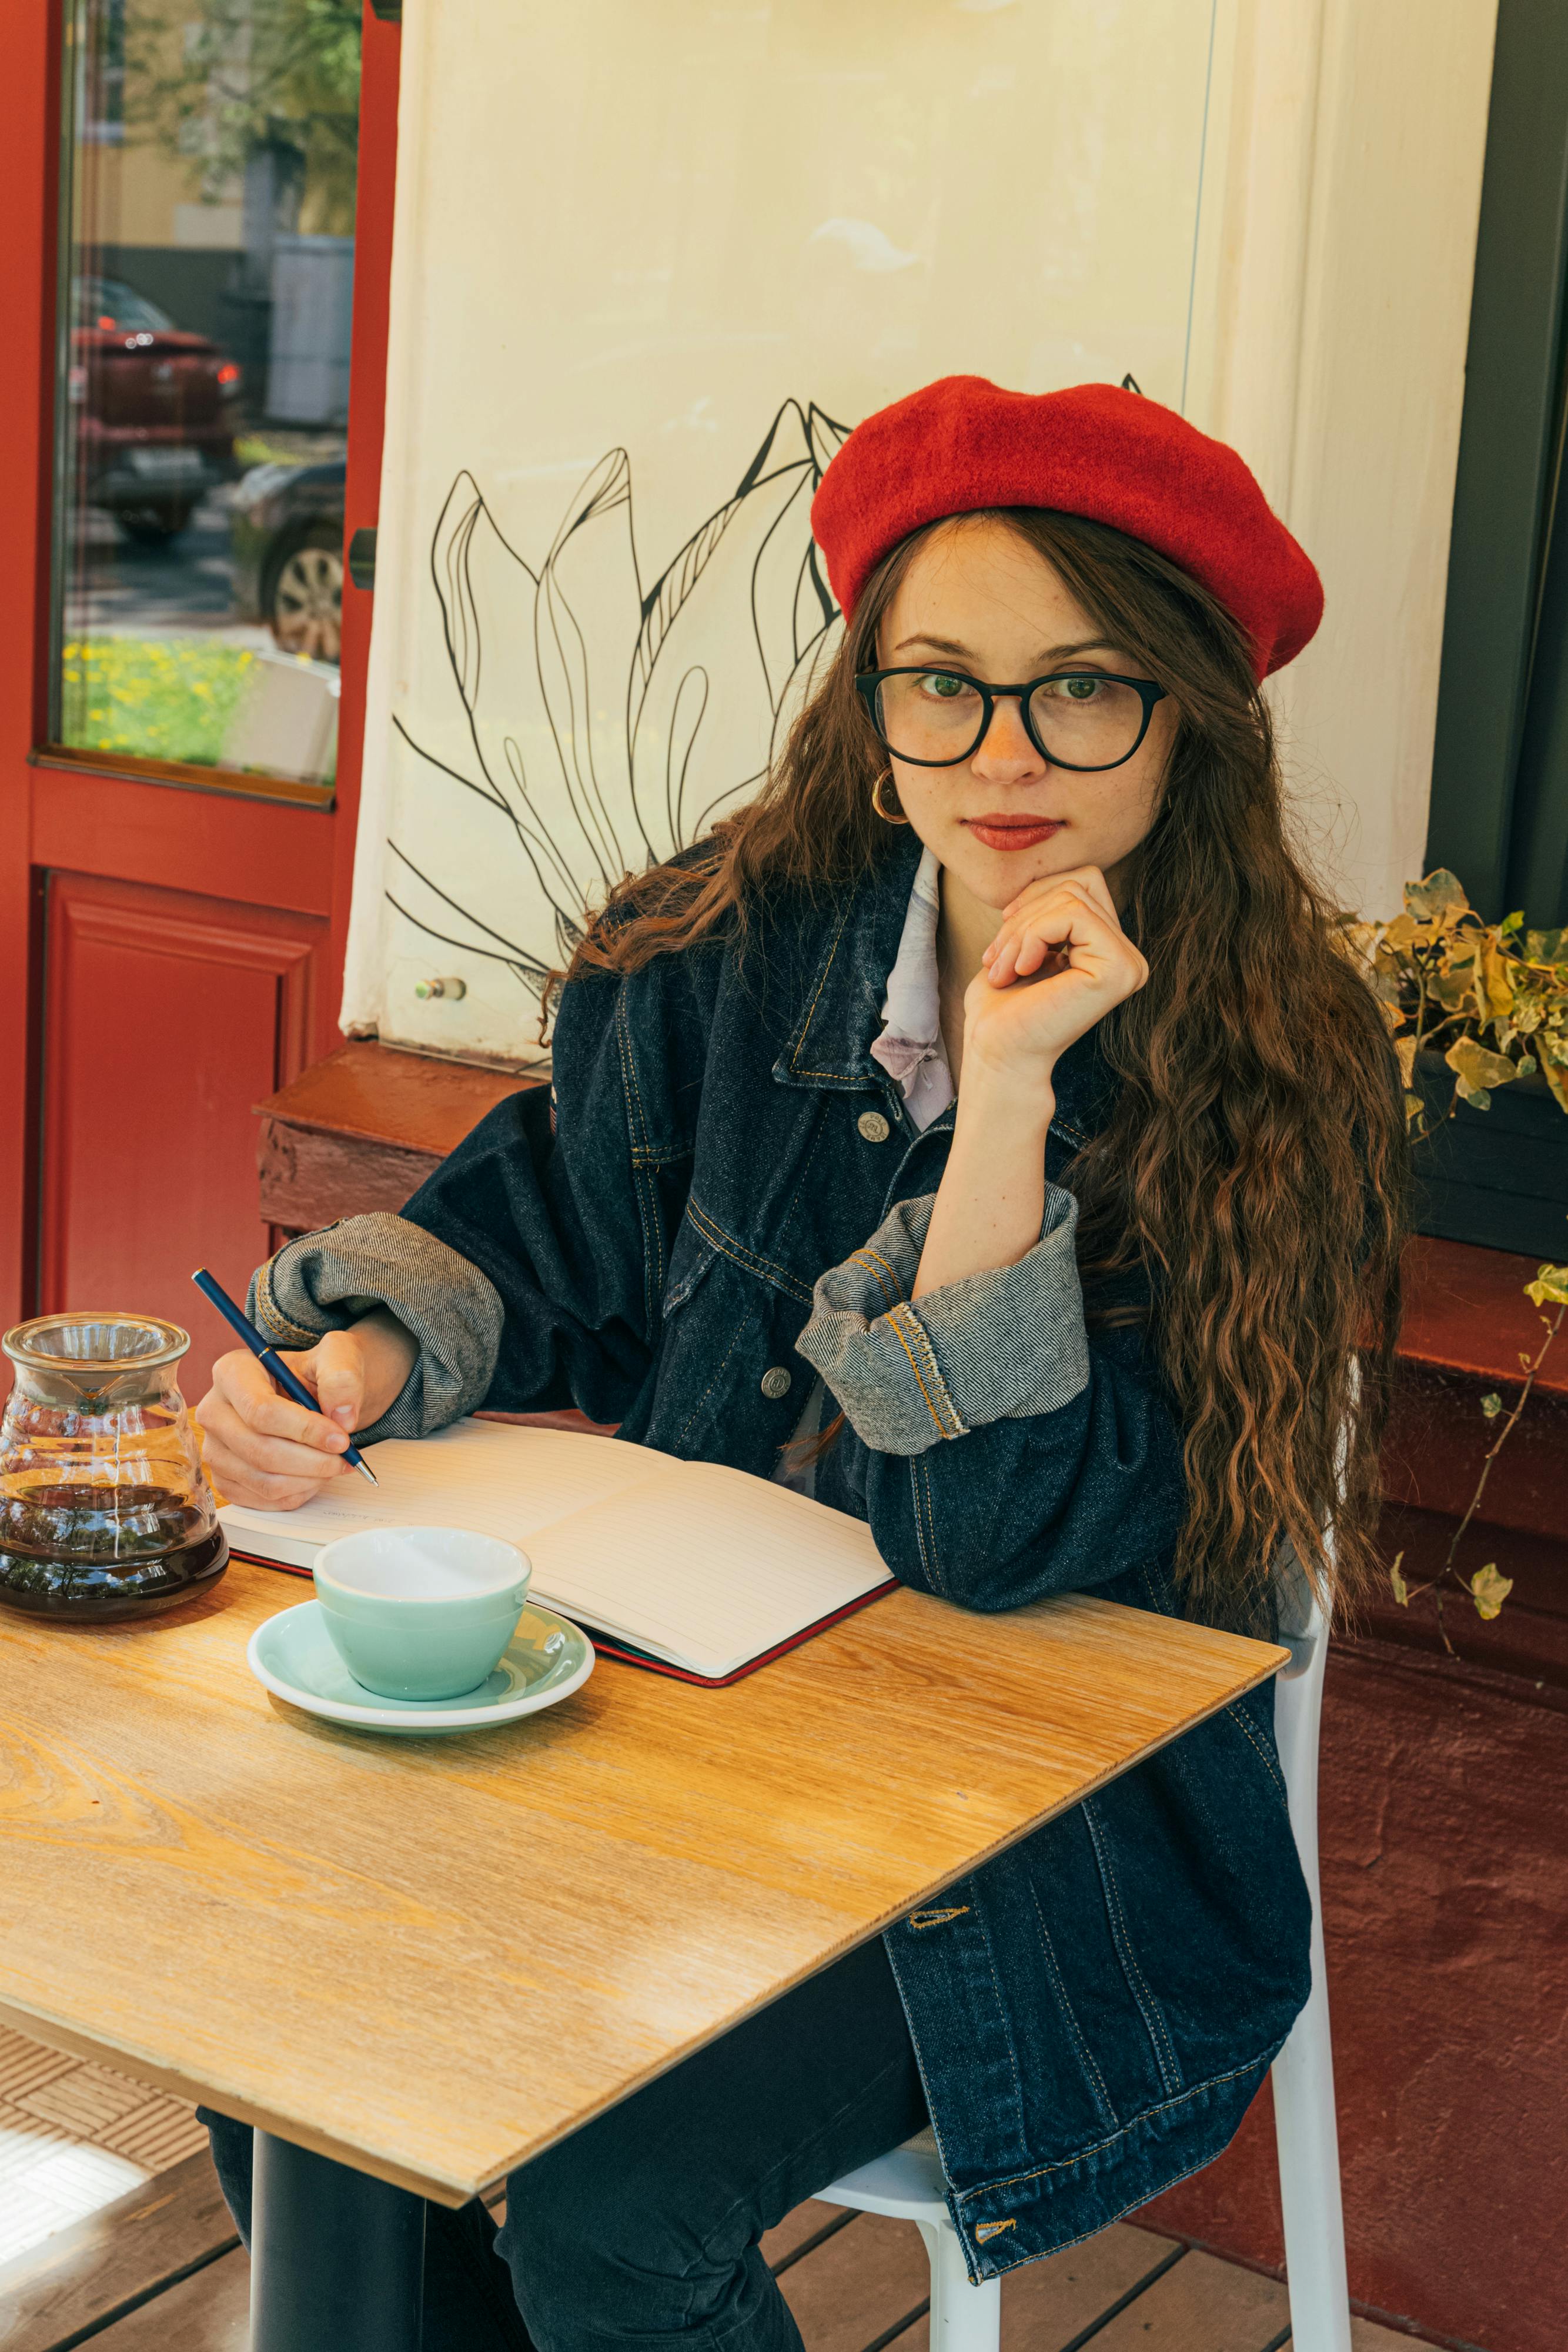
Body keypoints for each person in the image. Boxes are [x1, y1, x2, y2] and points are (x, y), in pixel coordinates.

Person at [196, 377, 1406, 2352]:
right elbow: (554, 1242)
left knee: (609, 2204)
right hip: (671, 1739)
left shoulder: (1277, 1072)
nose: (999, 752)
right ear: (873, 697)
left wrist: (1004, 1103)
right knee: (307, 2084)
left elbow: (995, 1549)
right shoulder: (731, 946)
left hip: (1032, 1849)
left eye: (1079, 686)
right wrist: (344, 1365)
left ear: (1187, 709)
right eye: (941, 682)